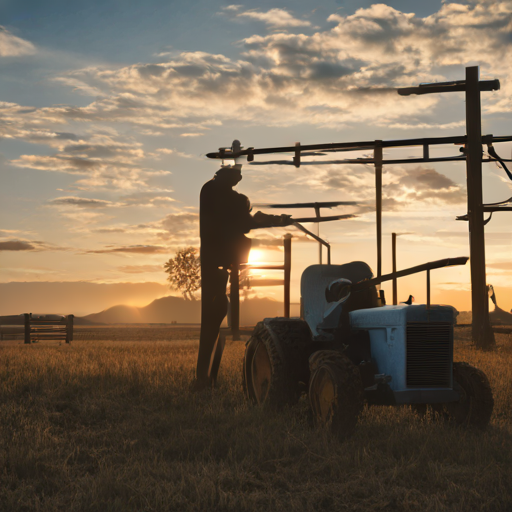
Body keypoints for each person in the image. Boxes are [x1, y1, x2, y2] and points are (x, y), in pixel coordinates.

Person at [193, 163, 291, 391]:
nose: (239, 179)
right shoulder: (220, 194)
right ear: (229, 175)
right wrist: (274, 220)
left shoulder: (210, 190)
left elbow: (245, 220)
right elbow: (246, 222)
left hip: (215, 264)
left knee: (214, 316)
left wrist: (271, 219)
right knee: (214, 315)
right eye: (237, 176)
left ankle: (203, 378)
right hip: (216, 265)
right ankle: (202, 379)